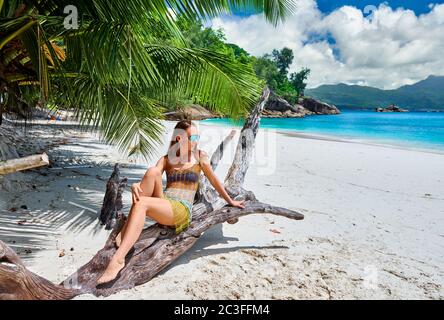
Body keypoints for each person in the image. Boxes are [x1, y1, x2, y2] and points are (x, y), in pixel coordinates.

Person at [97, 120, 245, 284]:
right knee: (153, 171)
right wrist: (134, 185)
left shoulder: (200, 157)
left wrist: (230, 201)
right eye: (192, 136)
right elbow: (148, 181)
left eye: (197, 136)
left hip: (181, 209)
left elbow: (215, 181)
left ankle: (118, 259)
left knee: (143, 203)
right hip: (164, 201)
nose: (196, 139)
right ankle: (126, 231)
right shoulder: (167, 159)